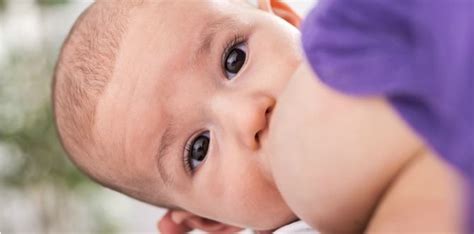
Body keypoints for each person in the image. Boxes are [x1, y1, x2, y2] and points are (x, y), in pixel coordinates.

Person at [52, 0, 468, 232]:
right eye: (199, 149)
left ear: (287, 19)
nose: (249, 115)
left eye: (235, 58)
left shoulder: (350, 38)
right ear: (210, 221)